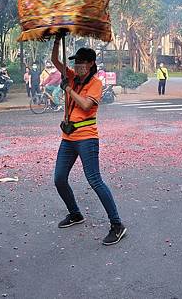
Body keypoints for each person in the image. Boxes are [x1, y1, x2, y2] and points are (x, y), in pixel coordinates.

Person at [51, 37, 126, 245]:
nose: (77, 66)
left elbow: (85, 105)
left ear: (91, 64)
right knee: (59, 179)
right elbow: (54, 60)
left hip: (87, 139)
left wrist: (68, 90)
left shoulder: (96, 83)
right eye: (76, 62)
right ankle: (75, 213)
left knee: (94, 180)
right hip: (68, 138)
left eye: (81, 62)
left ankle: (117, 224)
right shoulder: (73, 77)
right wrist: (58, 39)